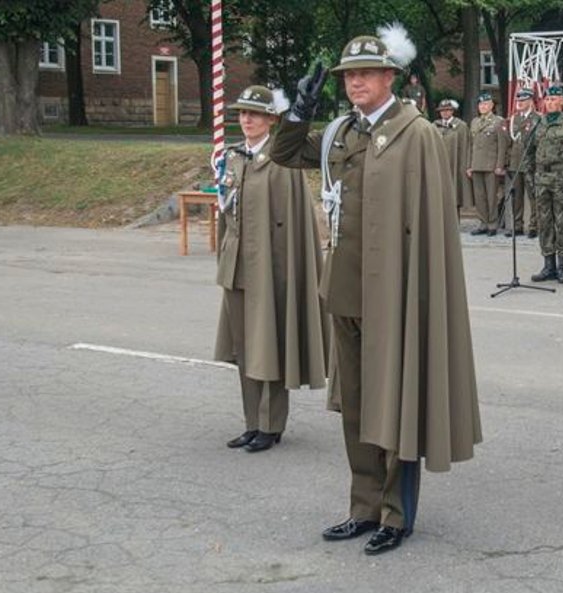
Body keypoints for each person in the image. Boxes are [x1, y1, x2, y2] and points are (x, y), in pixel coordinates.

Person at [270, 24, 481, 555]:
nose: (355, 83)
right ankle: (362, 507)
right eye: (348, 75)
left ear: (391, 76)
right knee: (359, 405)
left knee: (397, 401)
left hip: (396, 293)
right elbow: (286, 155)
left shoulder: (418, 133)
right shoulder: (342, 132)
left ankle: (396, 513)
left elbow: (433, 220)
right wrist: (298, 110)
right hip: (345, 288)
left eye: (366, 73)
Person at [213, 85, 329, 453]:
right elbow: (226, 215)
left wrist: (289, 274)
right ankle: (251, 422)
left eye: (255, 114)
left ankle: (271, 424)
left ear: (271, 120)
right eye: (242, 114)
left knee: (270, 346)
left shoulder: (283, 161)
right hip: (237, 267)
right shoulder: (233, 158)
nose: (246, 120)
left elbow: (296, 223)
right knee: (245, 349)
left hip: (272, 269)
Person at [525, 86, 563, 284]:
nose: (550, 102)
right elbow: (528, 151)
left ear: (561, 101)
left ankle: (562, 267)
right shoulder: (539, 124)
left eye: (554, 99)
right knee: (544, 222)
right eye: (547, 99)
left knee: (561, 223)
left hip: (560, 179)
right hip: (541, 178)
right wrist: (530, 176)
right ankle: (548, 265)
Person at [467, 92, 508, 236]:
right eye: (480, 104)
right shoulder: (474, 122)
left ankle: (492, 224)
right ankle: (483, 223)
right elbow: (471, 146)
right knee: (479, 197)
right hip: (477, 164)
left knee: (491, 196)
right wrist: (469, 165)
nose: (483, 107)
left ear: (491, 106)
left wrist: (499, 165)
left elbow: (502, 146)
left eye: (486, 104)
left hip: (491, 165)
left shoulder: (498, 121)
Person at [504, 88, 541, 237]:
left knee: (533, 196)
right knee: (516, 197)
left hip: (530, 163)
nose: (519, 103)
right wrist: (507, 162)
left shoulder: (537, 118)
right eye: (518, 100)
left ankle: (534, 226)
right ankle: (517, 225)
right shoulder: (513, 119)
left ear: (531, 101)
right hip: (515, 163)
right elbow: (509, 142)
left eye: (523, 100)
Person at [433, 98, 473, 216]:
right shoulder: (434, 126)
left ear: (452, 111)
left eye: (447, 110)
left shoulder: (461, 126)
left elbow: (467, 146)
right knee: (439, 196)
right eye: (442, 110)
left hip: (455, 166)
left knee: (455, 195)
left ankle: (455, 222)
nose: (445, 112)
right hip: (439, 167)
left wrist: (467, 165)